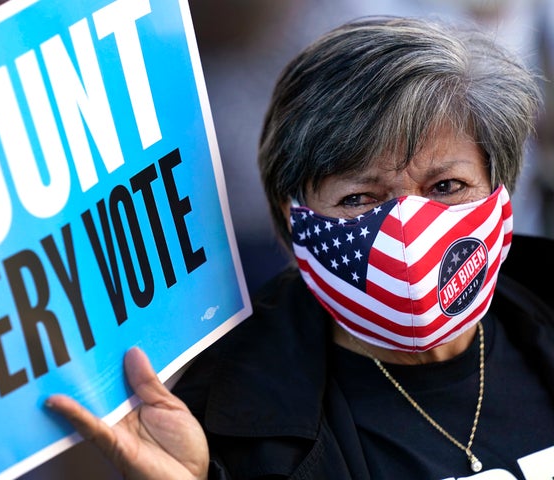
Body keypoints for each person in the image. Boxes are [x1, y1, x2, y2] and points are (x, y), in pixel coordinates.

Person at [46, 15, 554, 479]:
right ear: (295, 219)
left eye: (446, 186)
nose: (408, 226)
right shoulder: (228, 424)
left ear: (499, 189)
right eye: (359, 197)